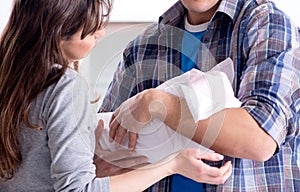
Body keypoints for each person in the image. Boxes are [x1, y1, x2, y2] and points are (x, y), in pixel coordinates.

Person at [0, 0, 233, 191]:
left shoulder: (8, 78)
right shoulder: (63, 86)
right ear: (60, 26)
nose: (100, 33)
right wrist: (172, 165)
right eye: (91, 25)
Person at [100, 0, 300, 191]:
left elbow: (260, 140)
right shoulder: (144, 47)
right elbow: (94, 153)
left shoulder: (267, 25)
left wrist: (159, 104)